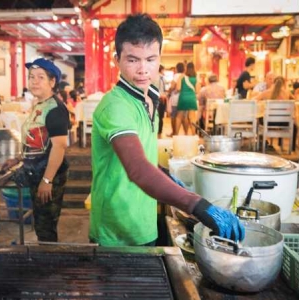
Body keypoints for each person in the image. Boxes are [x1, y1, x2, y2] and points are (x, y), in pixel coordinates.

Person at [89, 14, 245, 247]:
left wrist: (163, 174)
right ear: (116, 60)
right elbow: (138, 169)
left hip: (144, 219)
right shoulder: (115, 106)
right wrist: (197, 205)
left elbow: (145, 156)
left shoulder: (150, 97)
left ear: (159, 57)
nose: (143, 70)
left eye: (150, 59)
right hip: (116, 230)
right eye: (132, 60)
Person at [2, 58, 70, 242]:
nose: (34, 81)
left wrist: (47, 180)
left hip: (48, 174)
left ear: (52, 82)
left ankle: (50, 264)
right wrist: (18, 159)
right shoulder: (39, 105)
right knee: (40, 222)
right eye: (31, 77)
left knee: (46, 226)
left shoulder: (55, 109)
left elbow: (59, 146)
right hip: (35, 171)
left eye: (41, 77)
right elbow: (35, 140)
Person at [175, 62, 200, 135]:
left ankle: (176, 134)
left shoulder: (182, 76)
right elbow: (197, 90)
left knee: (179, 116)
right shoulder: (195, 78)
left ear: (186, 68)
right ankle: (193, 134)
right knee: (192, 117)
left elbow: (178, 88)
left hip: (183, 97)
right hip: (192, 98)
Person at [167, 62, 185, 136]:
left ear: (177, 69)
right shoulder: (185, 76)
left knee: (173, 116)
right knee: (181, 116)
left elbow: (172, 86)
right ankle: (182, 132)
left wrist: (169, 91)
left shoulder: (176, 76)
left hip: (175, 98)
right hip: (182, 97)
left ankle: (174, 132)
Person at [157, 65, 167, 138]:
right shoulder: (161, 78)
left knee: (156, 116)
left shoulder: (153, 77)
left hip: (157, 98)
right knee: (160, 116)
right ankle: (159, 132)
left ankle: (157, 131)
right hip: (162, 98)